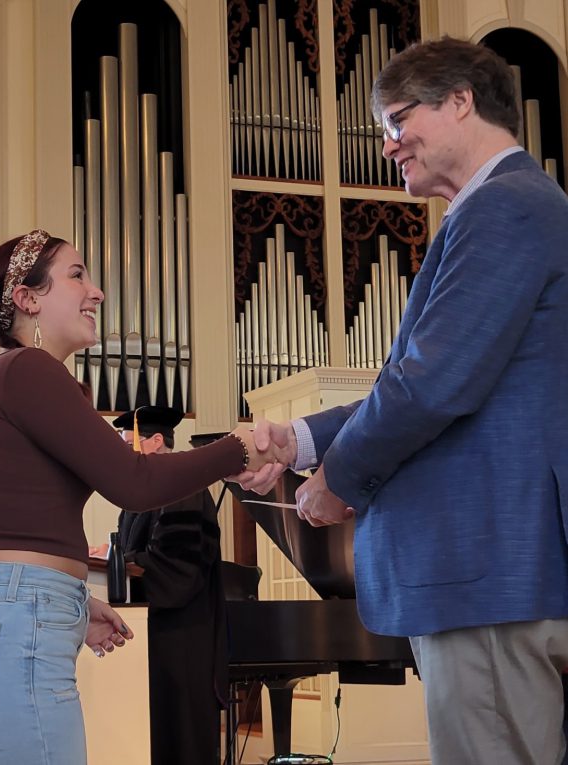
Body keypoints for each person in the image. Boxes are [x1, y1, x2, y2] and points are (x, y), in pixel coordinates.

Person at [235, 37, 568, 765]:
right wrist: (298, 439)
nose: (387, 144)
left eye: (396, 119)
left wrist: (339, 479)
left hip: (484, 562)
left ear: (460, 100)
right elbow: (422, 379)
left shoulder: (504, 207)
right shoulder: (501, 210)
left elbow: (431, 384)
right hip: (489, 567)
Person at [0, 230, 277, 764]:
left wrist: (67, 597)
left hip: (19, 604)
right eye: (76, 274)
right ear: (27, 298)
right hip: (19, 611)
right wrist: (239, 448)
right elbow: (135, 484)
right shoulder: (28, 369)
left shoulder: (9, 378)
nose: (98, 292)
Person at [113, 405, 229, 765]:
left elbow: (178, 568)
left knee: (182, 736)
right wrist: (114, 556)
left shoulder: (182, 489)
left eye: (129, 443)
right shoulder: (142, 494)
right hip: (156, 634)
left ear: (156, 441)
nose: (121, 453)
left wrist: (124, 560)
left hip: (182, 640)